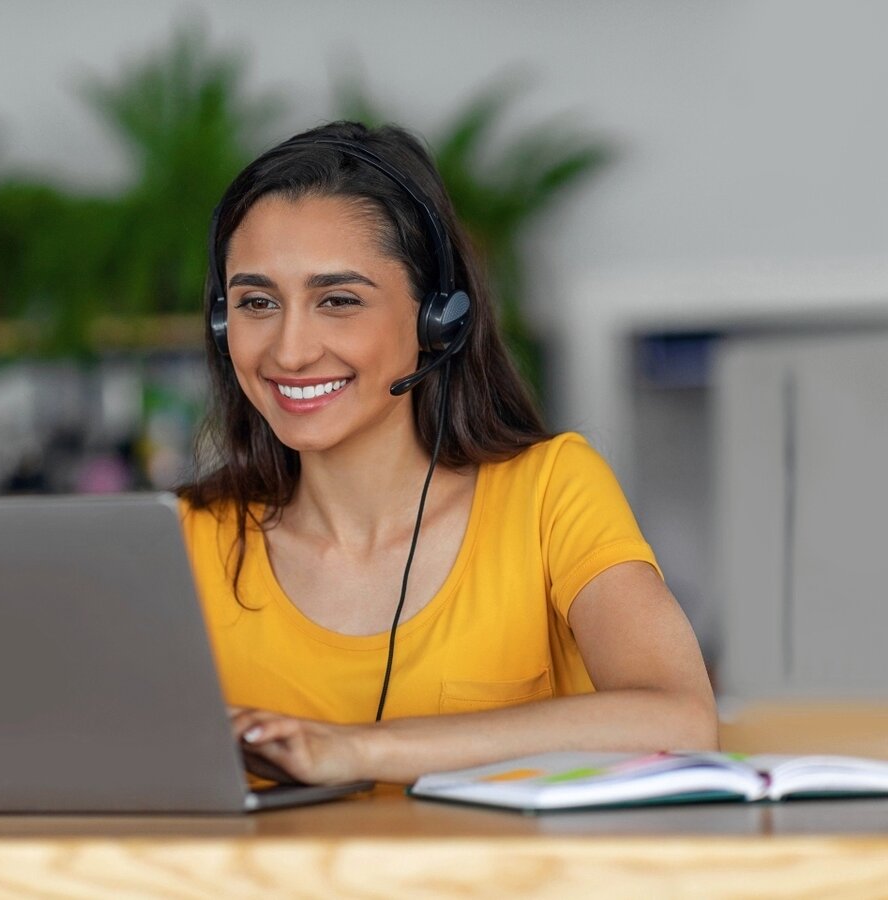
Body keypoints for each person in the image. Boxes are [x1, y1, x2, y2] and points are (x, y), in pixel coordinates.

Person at [177, 121, 717, 786]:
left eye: (338, 300)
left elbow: (679, 718)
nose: (289, 350)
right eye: (257, 301)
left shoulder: (549, 493)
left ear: (438, 319)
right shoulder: (184, 540)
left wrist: (356, 751)